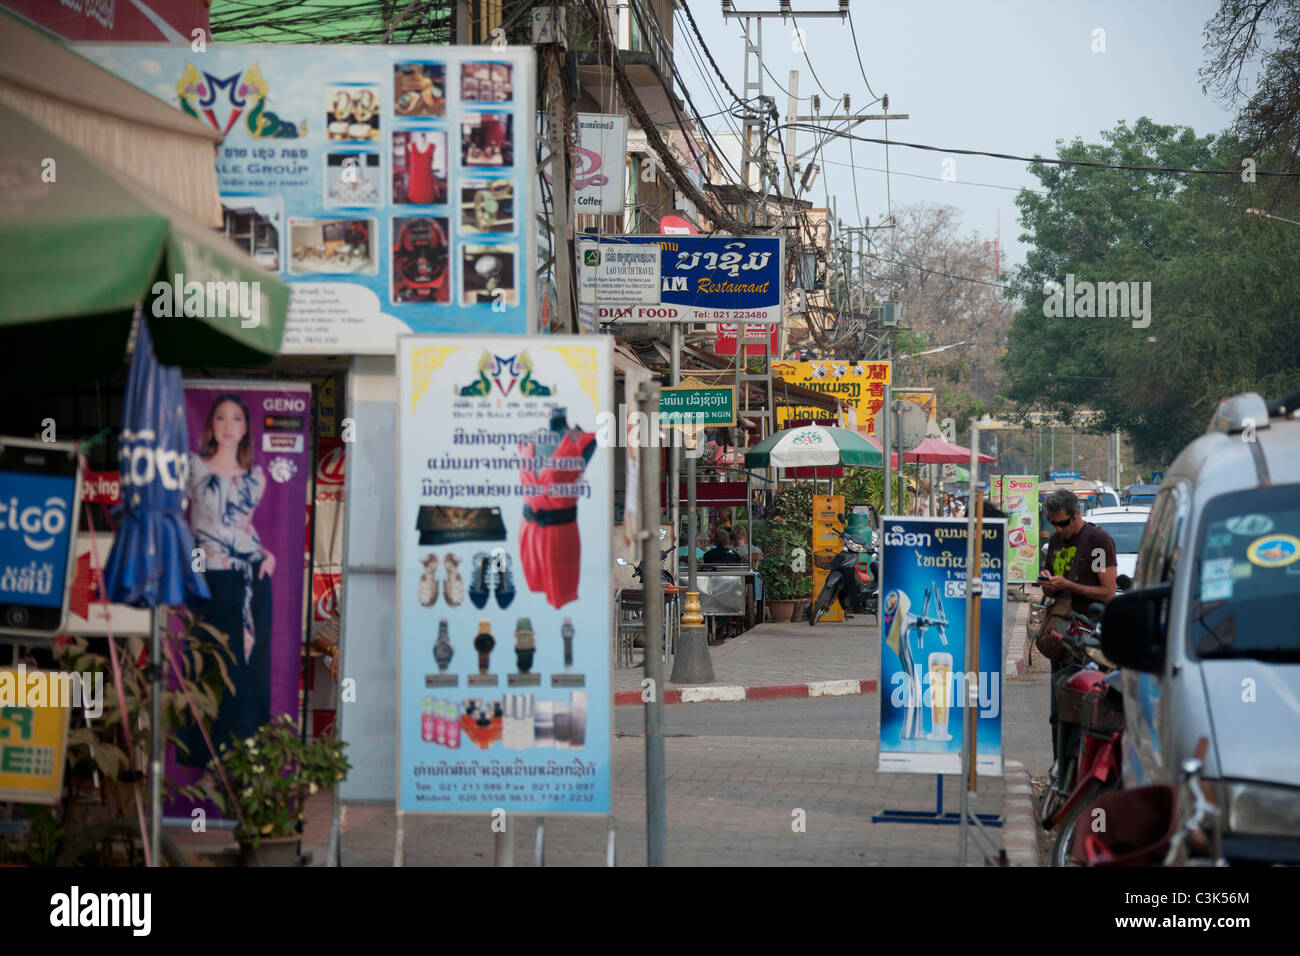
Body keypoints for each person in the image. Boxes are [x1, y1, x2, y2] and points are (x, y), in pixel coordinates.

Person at [181, 393, 275, 768]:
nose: (228, 425)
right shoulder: (194, 468)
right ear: (211, 425)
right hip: (210, 579)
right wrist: (194, 568)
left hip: (252, 580)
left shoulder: (256, 478)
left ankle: (247, 763)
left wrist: (267, 554)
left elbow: (241, 528)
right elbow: (191, 528)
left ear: (246, 428)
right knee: (210, 667)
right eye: (220, 418)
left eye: (236, 418)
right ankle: (206, 765)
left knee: (250, 669)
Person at [1039, 489, 1117, 758]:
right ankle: (1059, 769)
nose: (1058, 530)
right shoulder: (1057, 542)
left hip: (1088, 637)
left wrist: (1068, 584)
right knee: (1057, 713)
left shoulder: (1098, 542)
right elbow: (1055, 587)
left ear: (1077, 514)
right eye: (1053, 524)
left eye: (1062, 523)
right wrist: (1049, 585)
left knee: (1080, 711)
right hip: (1061, 635)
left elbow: (1108, 592)